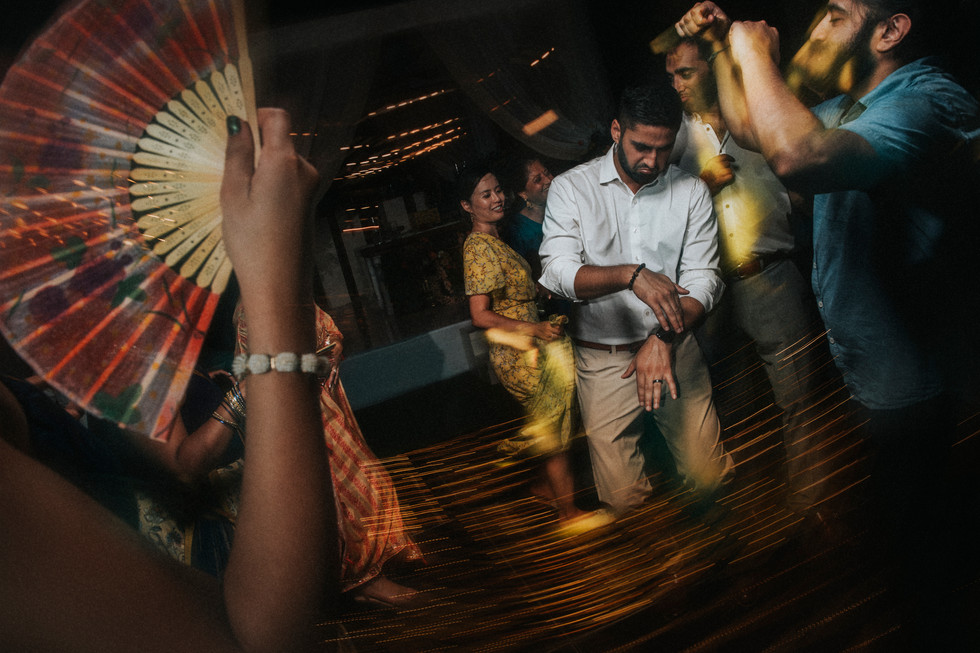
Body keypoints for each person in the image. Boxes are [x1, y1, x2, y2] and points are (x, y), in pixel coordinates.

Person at [676, 1, 979, 648]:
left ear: (890, 31)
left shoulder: (926, 100)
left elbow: (797, 156)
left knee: (932, 571)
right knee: (906, 552)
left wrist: (753, 51)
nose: (815, 27)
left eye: (835, 15)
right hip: (880, 383)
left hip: (921, 392)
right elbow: (752, 128)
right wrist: (725, 47)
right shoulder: (852, 105)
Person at [0, 109, 338, 651]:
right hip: (213, 562)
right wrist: (276, 292)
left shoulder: (158, 334)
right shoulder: (122, 347)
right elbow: (264, 636)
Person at [538, 83, 733, 517]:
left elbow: (705, 280)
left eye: (664, 149)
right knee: (623, 499)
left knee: (709, 476)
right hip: (603, 360)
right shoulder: (572, 189)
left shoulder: (691, 191)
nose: (652, 161)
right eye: (641, 147)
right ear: (616, 130)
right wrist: (631, 276)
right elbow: (557, 273)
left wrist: (663, 338)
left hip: (674, 349)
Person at [665, 37, 836, 518]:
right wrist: (700, 183)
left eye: (685, 73)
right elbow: (649, 216)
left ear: (713, 67)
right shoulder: (673, 141)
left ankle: (809, 506)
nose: (676, 85)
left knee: (798, 396)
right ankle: (747, 510)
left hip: (771, 276)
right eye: (670, 76)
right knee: (727, 404)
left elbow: (804, 177)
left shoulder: (757, 119)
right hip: (710, 292)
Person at [234, 301, 423, 608]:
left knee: (370, 484)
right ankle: (362, 581)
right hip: (296, 416)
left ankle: (374, 567)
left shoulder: (293, 294)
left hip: (325, 405)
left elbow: (327, 329)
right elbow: (259, 372)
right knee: (341, 498)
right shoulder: (251, 309)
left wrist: (334, 347)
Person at [460, 164, 608, 532]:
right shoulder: (477, 248)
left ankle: (545, 487)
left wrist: (537, 291)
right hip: (520, 352)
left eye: (498, 190)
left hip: (531, 342)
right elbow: (480, 314)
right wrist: (534, 327)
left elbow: (509, 293)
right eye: (485, 195)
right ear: (467, 206)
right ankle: (568, 514)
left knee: (553, 421)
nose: (497, 199)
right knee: (554, 430)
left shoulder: (495, 241)